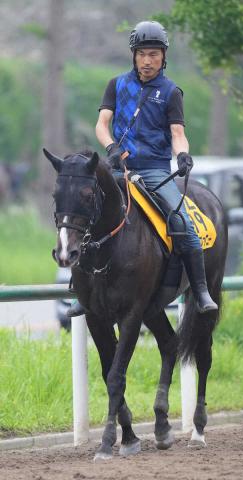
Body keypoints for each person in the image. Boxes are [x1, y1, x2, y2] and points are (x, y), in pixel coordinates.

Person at [68, 20, 217, 317]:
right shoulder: (116, 84)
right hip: (117, 168)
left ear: (163, 57)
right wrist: (111, 147)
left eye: (154, 54)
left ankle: (200, 291)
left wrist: (184, 154)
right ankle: (80, 291)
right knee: (84, 215)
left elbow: (177, 134)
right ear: (133, 55)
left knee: (183, 224)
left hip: (155, 171)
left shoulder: (172, 91)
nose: (147, 60)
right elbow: (102, 124)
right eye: (142, 54)